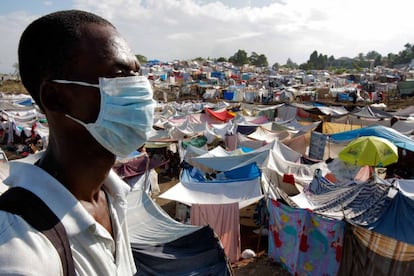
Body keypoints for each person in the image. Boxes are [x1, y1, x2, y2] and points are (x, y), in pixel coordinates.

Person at [0, 10, 155, 275]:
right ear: (55, 97)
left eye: (137, 75)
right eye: (119, 76)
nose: (141, 90)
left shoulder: (112, 196)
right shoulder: (21, 246)